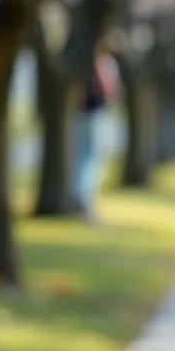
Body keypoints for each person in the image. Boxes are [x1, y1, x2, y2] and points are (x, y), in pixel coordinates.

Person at [73, 41, 119, 221]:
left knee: (84, 157)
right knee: (90, 159)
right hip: (95, 113)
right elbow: (111, 90)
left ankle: (82, 199)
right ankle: (84, 201)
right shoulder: (103, 62)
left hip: (83, 114)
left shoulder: (79, 61)